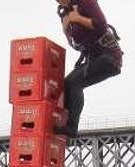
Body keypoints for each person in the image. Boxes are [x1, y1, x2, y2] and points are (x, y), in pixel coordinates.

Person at [53, 0, 123, 139]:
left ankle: (71, 128)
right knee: (66, 84)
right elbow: (77, 45)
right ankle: (64, 125)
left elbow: (101, 25)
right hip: (93, 58)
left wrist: (78, 18)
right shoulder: (65, 13)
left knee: (75, 83)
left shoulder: (85, 2)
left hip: (109, 57)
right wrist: (66, 30)